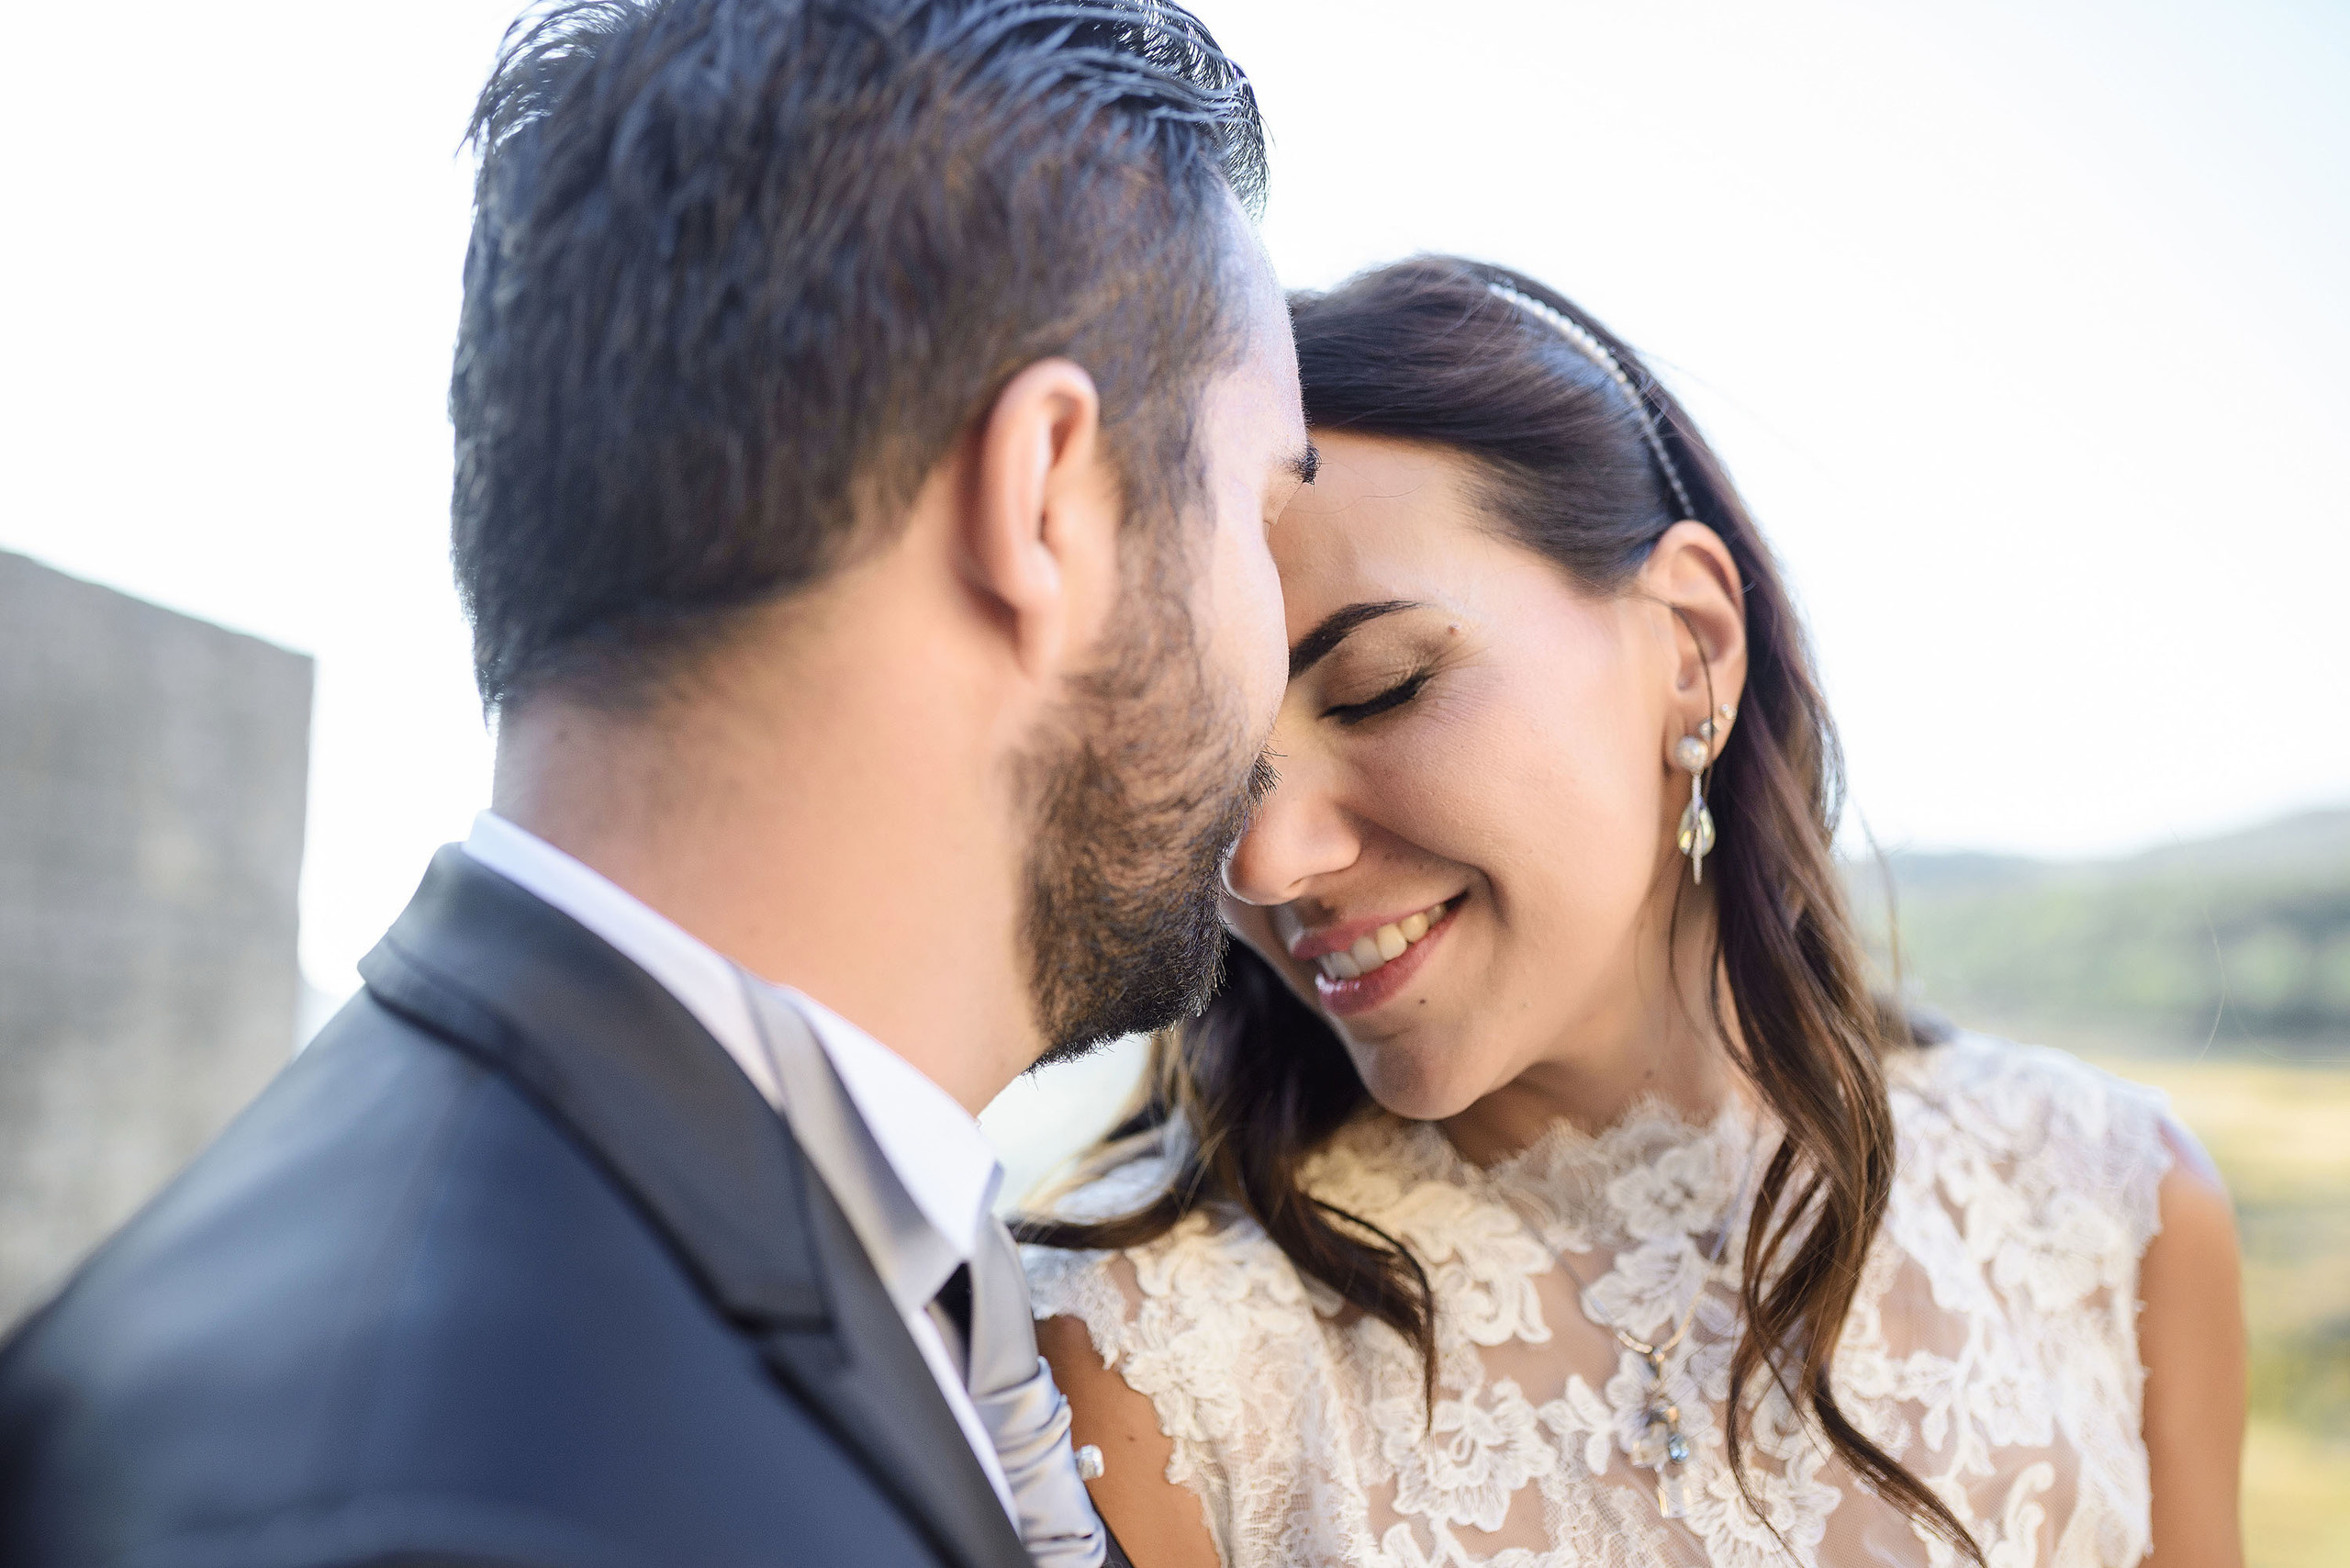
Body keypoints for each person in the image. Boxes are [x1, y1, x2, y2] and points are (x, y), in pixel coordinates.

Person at [0, 3, 1313, 1565]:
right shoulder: (450, 1508)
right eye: (1262, 516)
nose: (1280, 674)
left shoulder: (777, 1239)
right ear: (1043, 502)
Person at [1022, 257, 2247, 1568]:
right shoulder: (1150, 1362)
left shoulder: (2109, 1204)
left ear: (1693, 645)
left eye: (1380, 689)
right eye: (1212, 772)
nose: (1262, 862)